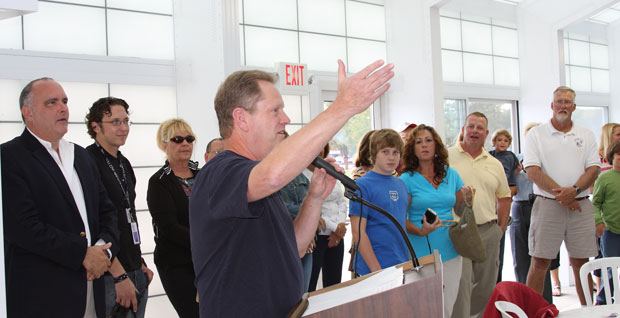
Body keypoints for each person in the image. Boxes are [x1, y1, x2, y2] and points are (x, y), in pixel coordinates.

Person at [189, 60, 394, 317]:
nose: (285, 119)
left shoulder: (257, 180)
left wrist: (315, 197)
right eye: (275, 110)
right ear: (241, 118)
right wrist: (342, 107)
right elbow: (273, 175)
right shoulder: (221, 172)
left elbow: (293, 247)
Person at [1, 77, 119, 317]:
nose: (63, 107)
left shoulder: (81, 156)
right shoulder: (10, 157)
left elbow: (107, 212)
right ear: (28, 113)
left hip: (92, 289)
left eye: (64, 101)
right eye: (51, 102)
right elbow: (24, 227)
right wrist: (82, 254)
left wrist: (102, 252)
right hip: (43, 296)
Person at [523, 86, 600, 306]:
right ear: (552, 105)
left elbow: (593, 169)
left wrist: (573, 191)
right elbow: (533, 171)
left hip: (580, 206)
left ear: (574, 107)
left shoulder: (586, 134)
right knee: (540, 262)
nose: (563, 105)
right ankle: (532, 312)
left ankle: (588, 312)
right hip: (547, 206)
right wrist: (564, 196)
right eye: (559, 101)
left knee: (582, 262)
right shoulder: (536, 134)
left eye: (567, 102)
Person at [85, 97, 154, 317]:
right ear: (95, 126)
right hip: (111, 274)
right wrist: (119, 275)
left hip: (134, 268)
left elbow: (128, 215)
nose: (123, 128)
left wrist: (139, 260)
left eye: (126, 121)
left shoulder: (123, 163)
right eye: (115, 122)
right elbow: (93, 225)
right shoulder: (87, 161)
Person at [400, 124, 473, 318]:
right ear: (412, 148)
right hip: (419, 252)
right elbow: (400, 219)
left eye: (428, 140)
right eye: (418, 142)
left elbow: (459, 209)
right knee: (421, 309)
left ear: (436, 145)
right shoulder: (406, 179)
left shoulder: (452, 174)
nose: (424, 145)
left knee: (446, 307)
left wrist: (468, 200)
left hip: (450, 249)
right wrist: (420, 230)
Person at [449, 112, 512, 318]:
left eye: (479, 128)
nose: (474, 131)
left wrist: (499, 230)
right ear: (463, 130)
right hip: (457, 231)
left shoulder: (494, 163)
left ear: (486, 134)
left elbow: (504, 198)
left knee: (485, 289)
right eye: (471, 126)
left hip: (488, 231)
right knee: (461, 288)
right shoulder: (447, 158)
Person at [147, 118, 200, 317]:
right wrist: (205, 241)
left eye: (189, 138)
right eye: (177, 139)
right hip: (177, 263)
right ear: (164, 145)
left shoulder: (202, 175)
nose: (185, 143)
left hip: (207, 259)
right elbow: (169, 228)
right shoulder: (159, 181)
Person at [349, 129, 410, 276]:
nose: (391, 157)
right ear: (374, 154)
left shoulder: (401, 184)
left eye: (396, 152)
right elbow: (358, 232)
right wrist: (376, 270)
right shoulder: (362, 185)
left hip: (400, 263)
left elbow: (399, 224)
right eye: (385, 151)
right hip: (373, 268)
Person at [509, 122, 555, 303]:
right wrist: (516, 170)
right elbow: (507, 183)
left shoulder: (549, 159)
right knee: (520, 259)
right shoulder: (515, 159)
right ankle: (523, 304)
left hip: (542, 205)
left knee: (541, 259)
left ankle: (545, 304)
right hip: (520, 207)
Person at [307, 142, 348, 292]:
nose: (319, 150)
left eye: (322, 146)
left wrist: (340, 226)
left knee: (334, 285)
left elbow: (341, 201)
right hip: (316, 237)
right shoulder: (302, 175)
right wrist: (334, 227)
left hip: (336, 236)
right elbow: (312, 208)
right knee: (310, 285)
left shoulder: (329, 171)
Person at [279, 132, 313, 292]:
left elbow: (313, 202)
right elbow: (281, 208)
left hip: (307, 244)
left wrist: (310, 226)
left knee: (303, 294)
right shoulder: (267, 176)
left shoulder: (299, 174)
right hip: (284, 243)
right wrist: (308, 214)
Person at [488, 129, 519, 283]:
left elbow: (514, 182)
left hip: (502, 199)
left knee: (498, 254)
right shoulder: (490, 155)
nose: (502, 143)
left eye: (505, 141)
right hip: (489, 201)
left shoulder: (511, 157)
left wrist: (504, 194)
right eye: (499, 140)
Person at [593, 141, 620, 304]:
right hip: (610, 232)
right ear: (612, 157)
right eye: (619, 155)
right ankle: (603, 302)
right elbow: (595, 203)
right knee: (609, 269)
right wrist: (599, 222)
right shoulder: (604, 178)